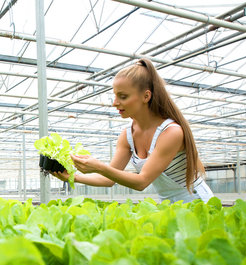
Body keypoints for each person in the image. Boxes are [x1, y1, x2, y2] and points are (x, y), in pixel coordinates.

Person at [52, 58, 213, 203]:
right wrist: (73, 177)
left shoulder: (171, 132)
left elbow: (142, 181)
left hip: (198, 202)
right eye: (115, 96)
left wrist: (99, 166)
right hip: (168, 204)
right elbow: (109, 179)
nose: (115, 103)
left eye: (123, 96)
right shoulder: (127, 135)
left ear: (146, 96)